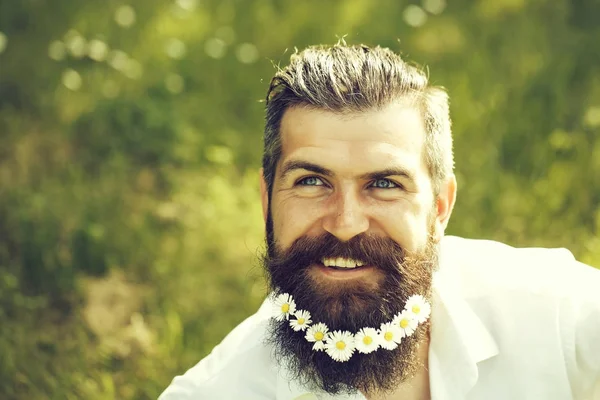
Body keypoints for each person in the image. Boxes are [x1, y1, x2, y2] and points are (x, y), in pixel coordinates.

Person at [159, 43, 600, 400]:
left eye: (385, 183)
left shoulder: (555, 312)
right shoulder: (217, 392)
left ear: (440, 207)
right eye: (312, 181)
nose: (346, 224)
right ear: (267, 200)